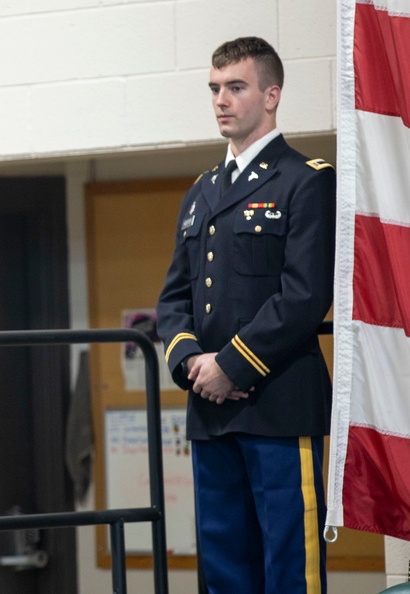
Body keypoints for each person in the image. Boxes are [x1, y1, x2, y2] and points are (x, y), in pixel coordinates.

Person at [156, 37, 335, 593]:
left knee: (289, 565)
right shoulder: (200, 193)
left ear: (272, 94)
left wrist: (232, 364)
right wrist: (192, 364)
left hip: (278, 403)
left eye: (236, 87)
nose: (221, 100)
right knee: (224, 568)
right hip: (210, 412)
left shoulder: (306, 179)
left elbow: (305, 295)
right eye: (214, 88)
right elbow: (173, 300)